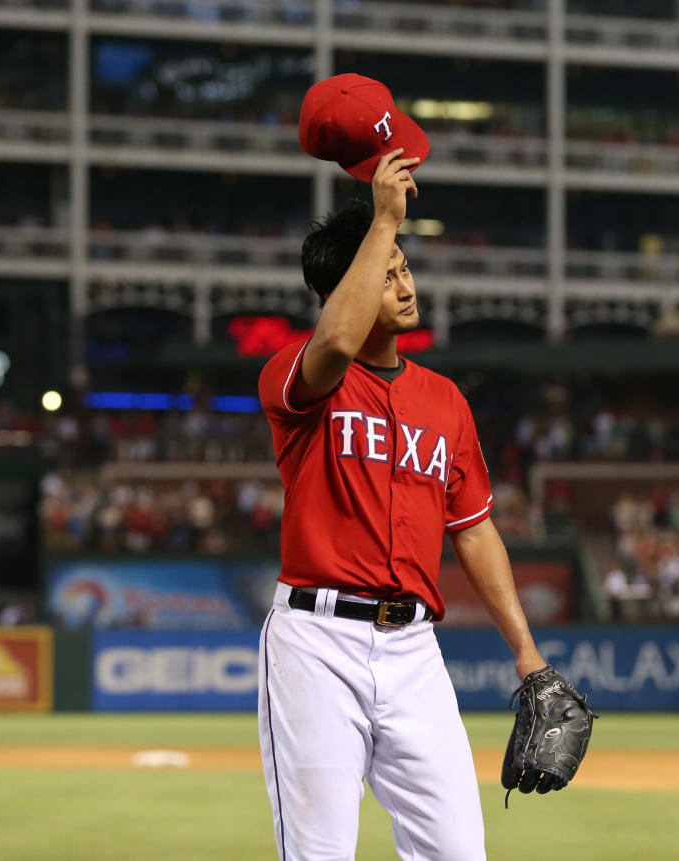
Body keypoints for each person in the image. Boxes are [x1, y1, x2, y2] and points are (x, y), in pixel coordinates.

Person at [256, 149, 548, 861]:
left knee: (458, 852)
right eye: (384, 274)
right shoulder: (298, 380)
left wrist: (527, 653)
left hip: (415, 649)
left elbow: (475, 532)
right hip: (316, 643)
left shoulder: (444, 401)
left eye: (403, 267)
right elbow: (335, 339)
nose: (403, 283)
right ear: (343, 289)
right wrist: (384, 218)